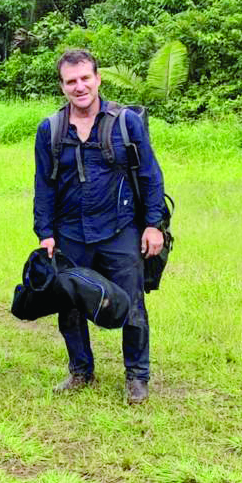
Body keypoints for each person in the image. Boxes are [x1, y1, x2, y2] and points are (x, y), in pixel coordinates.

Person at [33, 49, 166, 405]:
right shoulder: (50, 129)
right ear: (62, 86)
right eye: (71, 81)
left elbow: (150, 175)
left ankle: (137, 377)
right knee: (70, 304)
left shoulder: (126, 122)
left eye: (85, 79)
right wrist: (45, 232)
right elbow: (44, 186)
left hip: (120, 229)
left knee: (132, 304)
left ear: (97, 79)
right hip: (70, 233)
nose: (79, 87)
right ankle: (80, 371)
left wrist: (153, 225)